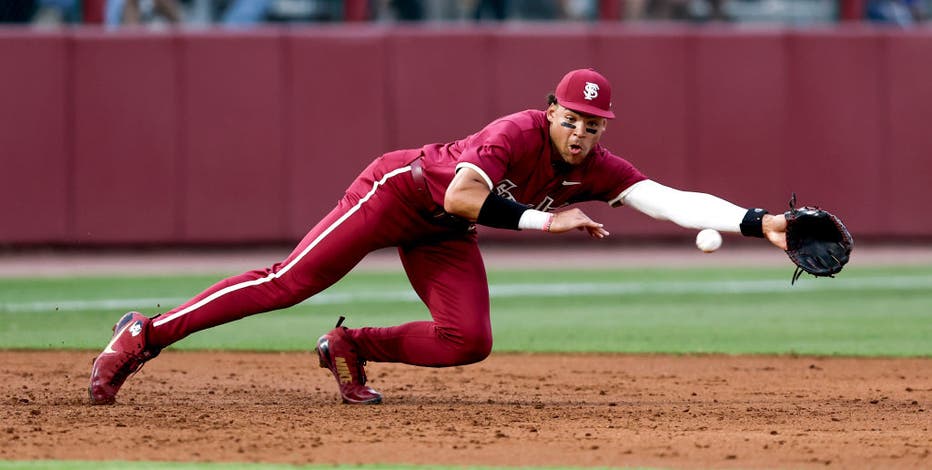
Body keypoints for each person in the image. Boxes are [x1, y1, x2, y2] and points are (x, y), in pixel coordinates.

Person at [88, 68, 789, 405]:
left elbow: (668, 202)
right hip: (397, 194)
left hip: (445, 233)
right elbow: (461, 196)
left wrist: (763, 223)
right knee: (290, 283)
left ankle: (349, 347)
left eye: (593, 125)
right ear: (550, 111)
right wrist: (549, 220)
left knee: (469, 341)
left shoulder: (599, 167)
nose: (580, 132)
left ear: (605, 131)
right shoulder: (512, 135)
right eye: (571, 117)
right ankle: (142, 332)